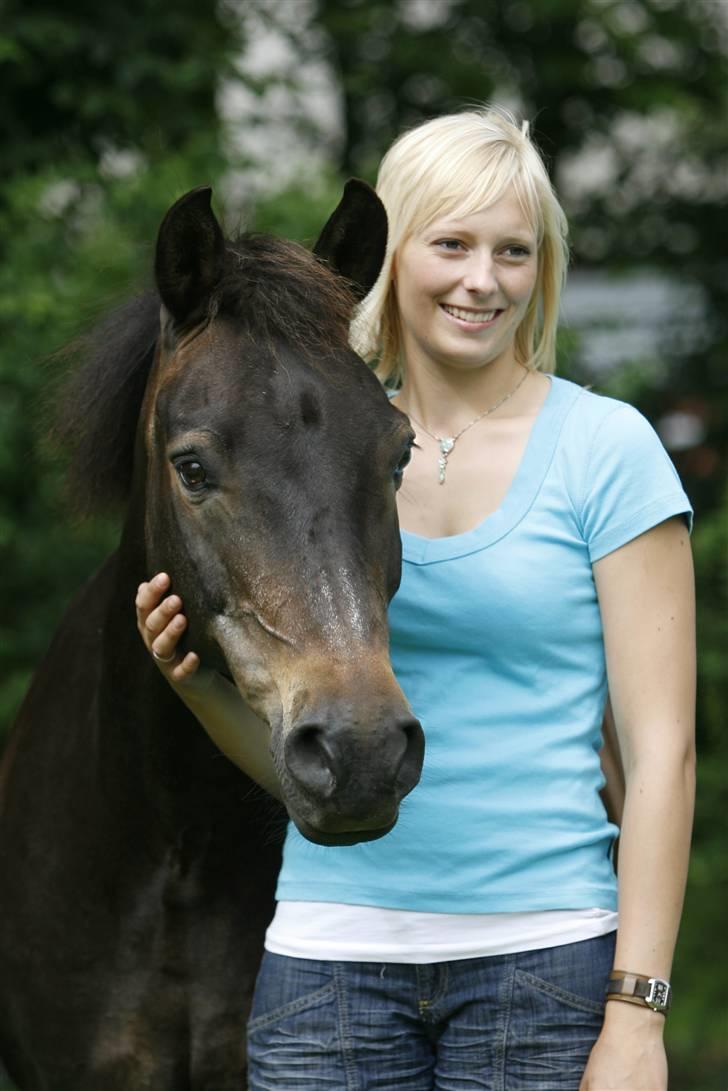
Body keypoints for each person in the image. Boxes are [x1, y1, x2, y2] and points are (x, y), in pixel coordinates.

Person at [136, 107, 695, 1090]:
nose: (483, 279)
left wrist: (637, 1012)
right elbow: (306, 772)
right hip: (328, 964)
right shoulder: (312, 448)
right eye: (452, 244)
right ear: (391, 254)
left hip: (542, 962)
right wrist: (196, 686)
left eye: (513, 251)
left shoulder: (604, 448)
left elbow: (661, 756)